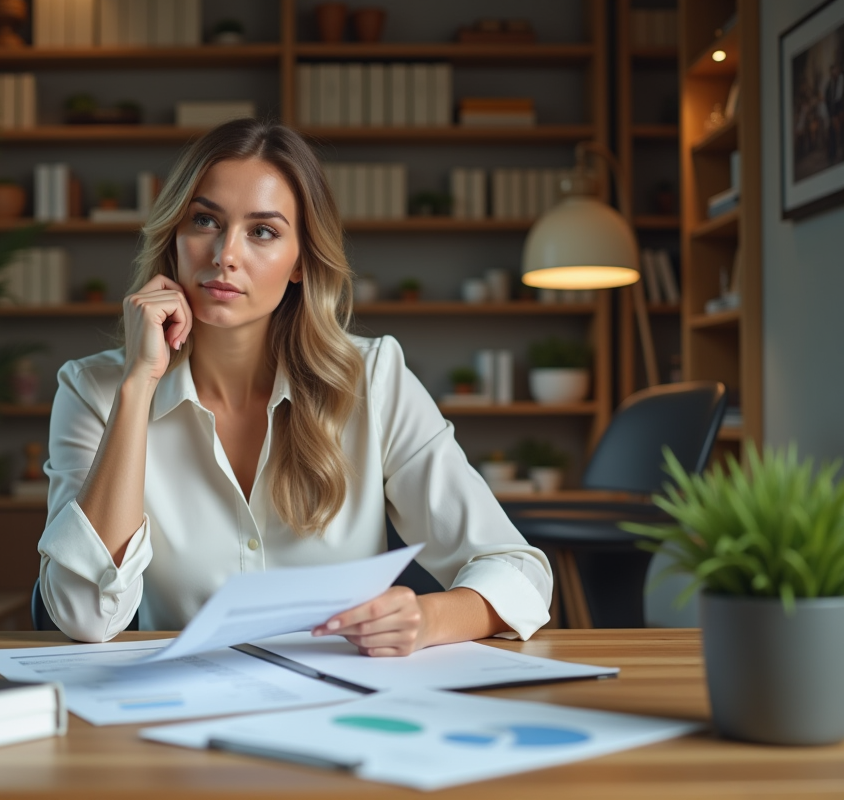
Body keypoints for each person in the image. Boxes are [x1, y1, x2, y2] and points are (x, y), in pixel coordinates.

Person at [37, 119, 552, 656]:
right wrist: (138, 388)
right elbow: (84, 615)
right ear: (174, 235)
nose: (224, 254)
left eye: (262, 231)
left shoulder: (373, 379)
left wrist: (426, 617)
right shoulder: (94, 390)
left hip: (345, 710)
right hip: (183, 715)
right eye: (205, 220)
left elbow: (519, 572)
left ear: (302, 261)